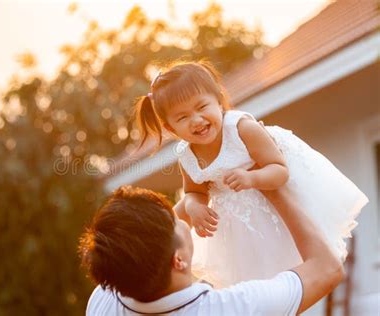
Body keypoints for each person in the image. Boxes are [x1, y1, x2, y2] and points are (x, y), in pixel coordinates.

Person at [133, 60, 368, 287]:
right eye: (182, 117)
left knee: (295, 268)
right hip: (239, 222)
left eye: (202, 107)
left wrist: (251, 178)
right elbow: (194, 191)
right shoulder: (186, 155)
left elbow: (280, 170)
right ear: (170, 128)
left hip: (273, 201)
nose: (196, 120)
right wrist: (194, 206)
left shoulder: (241, 129)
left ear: (218, 101)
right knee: (255, 281)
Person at [80, 185, 344, 315]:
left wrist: (199, 189)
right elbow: (328, 268)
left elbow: (142, 243)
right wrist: (272, 189)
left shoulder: (105, 298)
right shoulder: (232, 309)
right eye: (175, 222)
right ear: (179, 260)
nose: (180, 217)